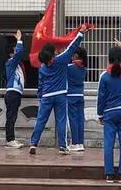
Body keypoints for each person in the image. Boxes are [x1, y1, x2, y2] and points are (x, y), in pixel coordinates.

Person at [29, 24, 89, 155]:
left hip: (46, 96)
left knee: (41, 120)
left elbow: (40, 84)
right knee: (61, 120)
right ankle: (63, 146)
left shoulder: (43, 68)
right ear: (51, 54)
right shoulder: (60, 61)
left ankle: (33, 143)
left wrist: (40, 97)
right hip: (61, 95)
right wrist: (81, 33)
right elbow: (72, 47)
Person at [97, 39, 121, 184]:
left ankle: (109, 174)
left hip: (109, 113)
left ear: (108, 60)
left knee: (109, 143)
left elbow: (100, 98)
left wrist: (100, 115)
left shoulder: (104, 76)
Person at [4, 30, 25, 149]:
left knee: (12, 116)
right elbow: (20, 51)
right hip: (12, 93)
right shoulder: (11, 62)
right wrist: (19, 40)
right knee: (11, 117)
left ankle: (11, 139)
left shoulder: (14, 63)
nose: (17, 50)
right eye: (15, 49)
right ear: (12, 53)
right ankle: (10, 140)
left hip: (15, 93)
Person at [67, 46, 87, 152]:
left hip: (71, 96)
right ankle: (80, 143)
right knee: (80, 120)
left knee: (73, 120)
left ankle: (74, 143)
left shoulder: (69, 67)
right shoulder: (84, 69)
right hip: (80, 95)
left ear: (76, 55)